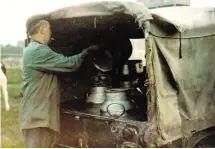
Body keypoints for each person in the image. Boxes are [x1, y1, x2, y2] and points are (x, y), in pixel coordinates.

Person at [19, 17, 99, 148]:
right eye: (49, 30)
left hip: (35, 116)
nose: (51, 34)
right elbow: (70, 64)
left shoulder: (31, 49)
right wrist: (85, 52)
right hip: (38, 119)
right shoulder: (39, 51)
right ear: (42, 29)